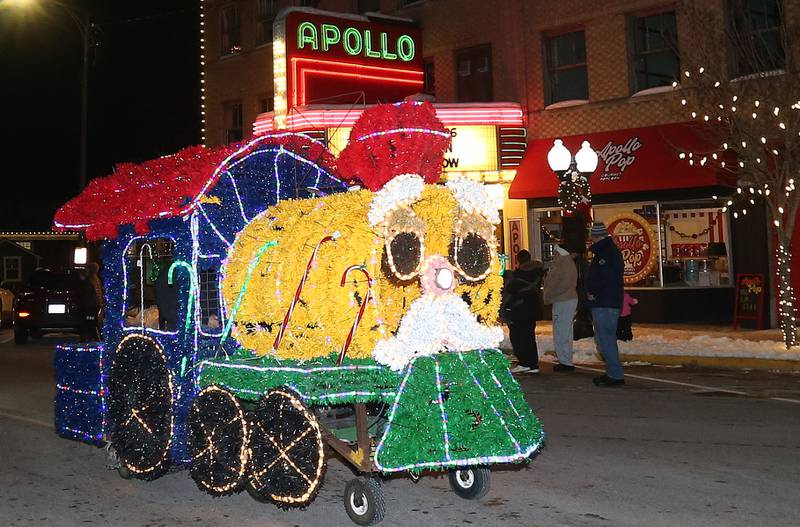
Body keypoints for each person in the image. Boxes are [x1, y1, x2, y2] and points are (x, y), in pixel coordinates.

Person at [585, 222, 625, 386]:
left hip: (605, 302)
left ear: (595, 236)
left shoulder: (605, 253)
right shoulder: (608, 252)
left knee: (605, 339)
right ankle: (613, 372)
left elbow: (605, 277)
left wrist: (593, 291)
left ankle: (615, 374)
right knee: (604, 339)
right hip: (608, 301)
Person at [504, 249, 544, 374]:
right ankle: (532, 363)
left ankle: (524, 362)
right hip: (532, 308)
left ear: (519, 260)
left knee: (518, 336)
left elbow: (511, 289)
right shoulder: (537, 272)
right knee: (529, 336)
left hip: (520, 308)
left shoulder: (521, 274)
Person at [543, 245, 578, 371]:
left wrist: (549, 295)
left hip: (563, 300)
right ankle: (565, 359)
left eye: (556, 252)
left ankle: (565, 361)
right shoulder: (565, 263)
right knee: (564, 330)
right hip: (564, 299)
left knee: (562, 331)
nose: (554, 255)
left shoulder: (563, 264)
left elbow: (561, 284)